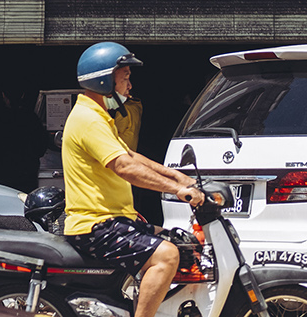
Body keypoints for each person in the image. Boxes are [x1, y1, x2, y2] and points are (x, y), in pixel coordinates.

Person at [62, 42, 206, 317]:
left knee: (181, 243)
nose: (130, 85)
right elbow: (125, 167)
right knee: (167, 255)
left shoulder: (99, 117)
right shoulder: (89, 119)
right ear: (105, 80)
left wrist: (177, 176)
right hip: (97, 225)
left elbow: (130, 155)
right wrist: (178, 190)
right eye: (125, 77)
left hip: (114, 220)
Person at [0, 84, 49, 193]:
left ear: (3, 96)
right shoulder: (31, 119)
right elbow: (41, 148)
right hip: (26, 177)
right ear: (23, 96)